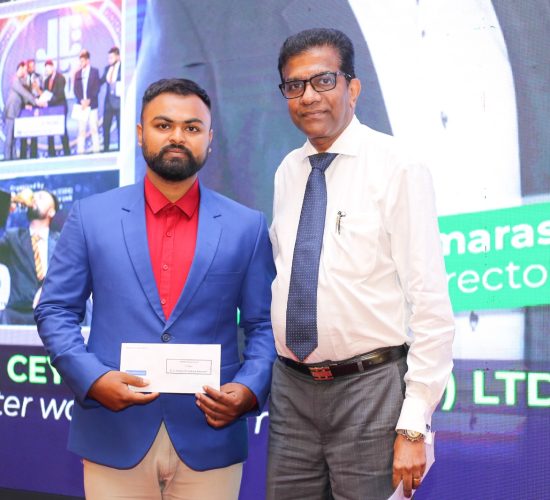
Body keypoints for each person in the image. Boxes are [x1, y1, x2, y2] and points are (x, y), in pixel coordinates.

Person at [35, 78, 276, 499]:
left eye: (192, 127)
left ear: (209, 139)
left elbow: (264, 324)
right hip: (114, 431)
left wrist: (250, 388)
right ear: (140, 133)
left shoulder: (247, 226)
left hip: (211, 435)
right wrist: (93, 379)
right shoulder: (91, 217)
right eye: (163, 125)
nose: (177, 136)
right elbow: (55, 309)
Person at [267, 28, 454, 500]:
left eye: (323, 80)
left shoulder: (398, 166)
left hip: (370, 388)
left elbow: (430, 304)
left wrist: (413, 424)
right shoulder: (288, 171)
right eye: (295, 85)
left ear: (353, 88)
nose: (309, 96)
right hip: (291, 390)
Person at [0, 189, 59, 325]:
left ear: (51, 212)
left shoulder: (61, 241)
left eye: (41, 197)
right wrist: (7, 203)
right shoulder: (13, 237)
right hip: (17, 315)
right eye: (34, 196)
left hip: (53, 315)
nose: (35, 198)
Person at [2, 62, 39, 161]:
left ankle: (13, 158)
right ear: (21, 68)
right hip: (11, 111)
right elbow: (23, 93)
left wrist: (26, 104)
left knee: (14, 138)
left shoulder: (20, 80)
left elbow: (22, 96)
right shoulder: (15, 80)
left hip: (16, 111)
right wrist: (35, 101)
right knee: (9, 138)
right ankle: (7, 158)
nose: (26, 71)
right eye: (25, 69)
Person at [73, 49, 101, 154]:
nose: (81, 63)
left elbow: (97, 88)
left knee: (94, 128)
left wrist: (89, 100)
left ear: (88, 60)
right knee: (81, 129)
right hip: (81, 106)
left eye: (83, 61)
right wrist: (81, 100)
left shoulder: (95, 72)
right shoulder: (77, 74)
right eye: (80, 61)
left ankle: (96, 150)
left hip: (92, 104)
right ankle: (80, 151)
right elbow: (75, 89)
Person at [43, 60, 71, 157]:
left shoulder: (61, 78)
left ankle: (67, 153)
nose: (47, 71)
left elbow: (59, 94)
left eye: (48, 69)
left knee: (62, 130)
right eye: (45, 70)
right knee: (50, 131)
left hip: (60, 107)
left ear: (52, 67)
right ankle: (51, 153)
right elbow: (46, 94)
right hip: (50, 110)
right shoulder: (46, 81)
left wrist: (48, 102)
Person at [100, 46, 121, 152]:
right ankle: (106, 149)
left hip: (118, 102)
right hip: (108, 103)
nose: (109, 60)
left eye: (111, 57)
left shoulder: (123, 68)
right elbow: (101, 81)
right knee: (106, 127)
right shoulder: (107, 69)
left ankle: (121, 149)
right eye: (109, 58)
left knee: (120, 127)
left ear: (118, 56)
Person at [20, 58, 42, 159]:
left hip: (35, 107)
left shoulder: (39, 77)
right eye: (30, 66)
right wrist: (24, 105)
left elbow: (41, 93)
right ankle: (23, 156)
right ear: (27, 67)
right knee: (23, 133)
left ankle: (33, 155)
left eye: (33, 66)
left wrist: (37, 88)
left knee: (34, 131)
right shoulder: (22, 78)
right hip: (25, 108)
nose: (32, 68)